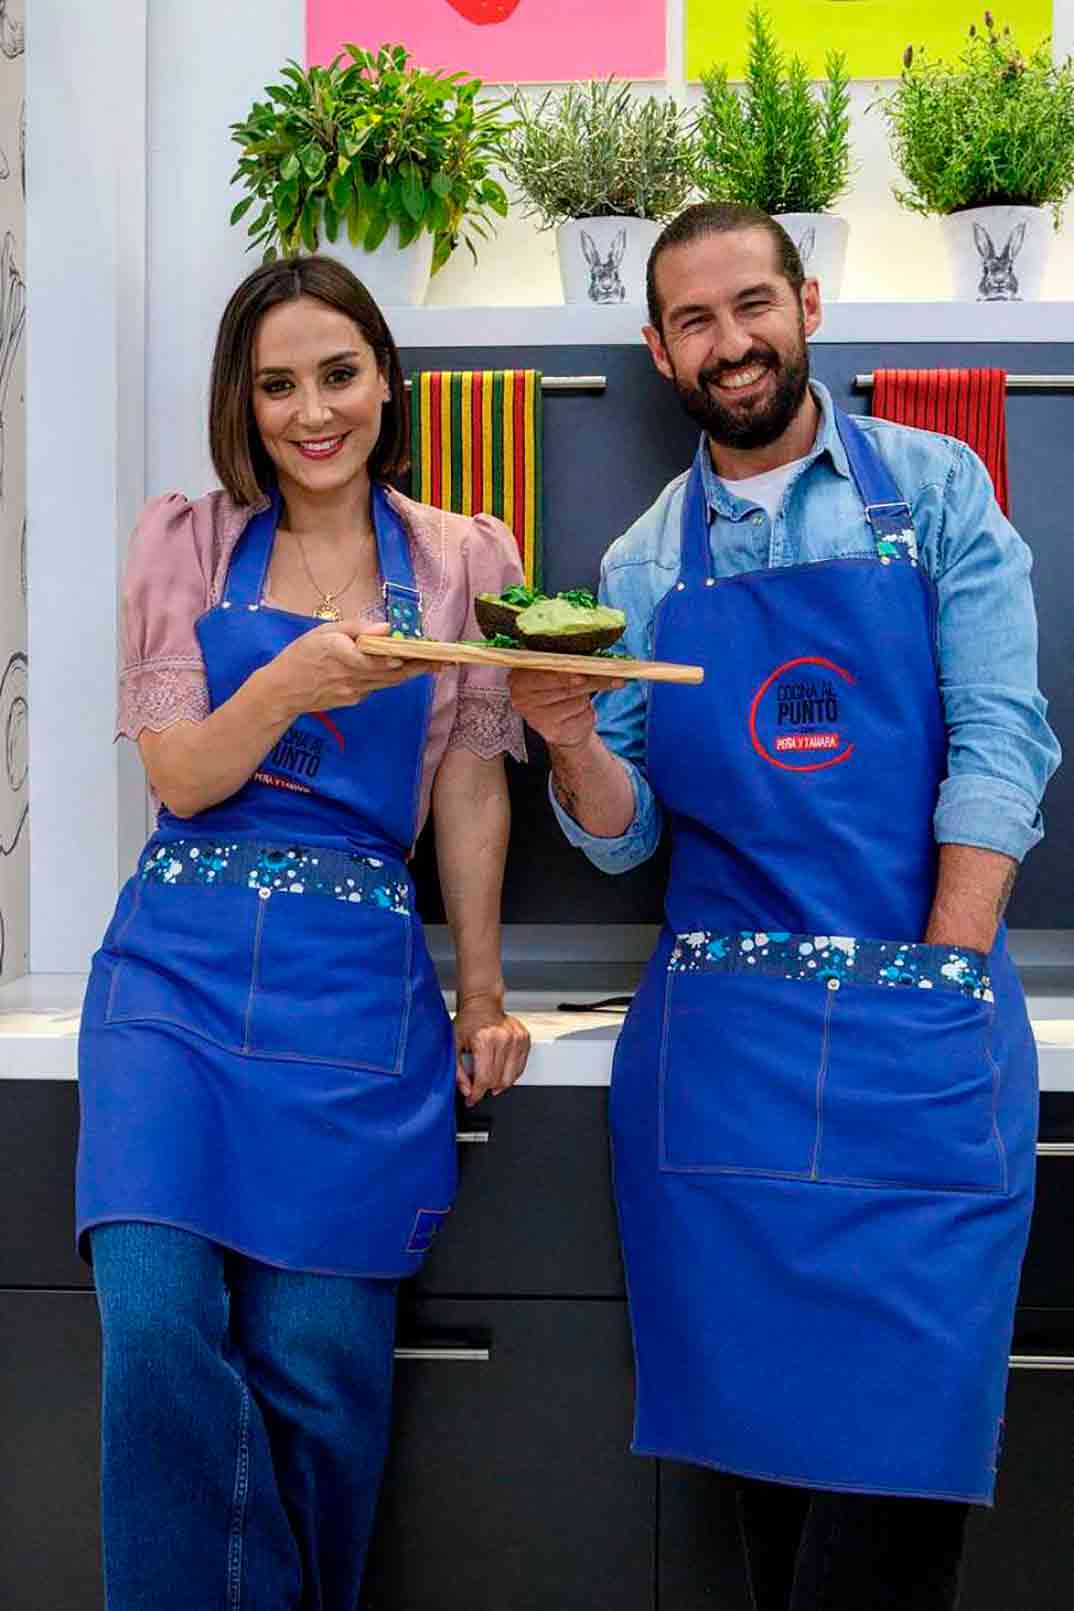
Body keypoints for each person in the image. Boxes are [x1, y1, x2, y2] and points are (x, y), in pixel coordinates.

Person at [509, 202, 1061, 1610]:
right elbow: (625, 845)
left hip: (918, 1047)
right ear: (654, 350)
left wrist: (937, 982)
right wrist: (569, 738)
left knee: (885, 1515)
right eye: (693, 320)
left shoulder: (936, 493)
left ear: (804, 303)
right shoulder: (641, 565)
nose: (729, 341)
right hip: (727, 1072)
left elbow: (1001, 743)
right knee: (767, 1512)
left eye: (750, 304)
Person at [77, 255, 531, 1611]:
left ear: (385, 378)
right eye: (276, 385)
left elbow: (464, 785)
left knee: (321, 1375)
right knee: (157, 1330)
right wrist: (286, 679)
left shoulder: (460, 558)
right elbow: (178, 776)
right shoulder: (187, 542)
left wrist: (483, 993)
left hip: (352, 994)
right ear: (243, 400)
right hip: (175, 977)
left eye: (337, 374)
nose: (310, 410)